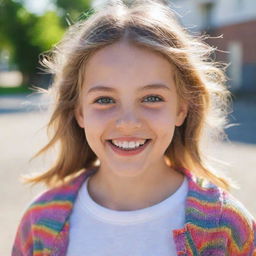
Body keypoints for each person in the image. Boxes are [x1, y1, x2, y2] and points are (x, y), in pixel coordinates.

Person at [12, 0, 256, 255]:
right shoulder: (39, 223)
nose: (128, 122)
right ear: (80, 112)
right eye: (105, 100)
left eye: (152, 98)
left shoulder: (226, 226)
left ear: (181, 109)